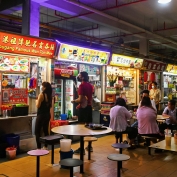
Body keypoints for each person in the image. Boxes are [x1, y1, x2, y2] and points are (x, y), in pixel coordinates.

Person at [71, 72, 93, 154]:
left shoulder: (81, 86)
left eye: (79, 76)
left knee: (82, 128)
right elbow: (87, 99)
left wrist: (74, 101)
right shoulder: (90, 86)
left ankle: (81, 148)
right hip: (89, 107)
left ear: (82, 77)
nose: (78, 77)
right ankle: (90, 146)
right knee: (89, 127)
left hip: (83, 110)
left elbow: (80, 99)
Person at [35, 82, 52, 149]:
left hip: (41, 115)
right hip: (47, 115)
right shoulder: (50, 95)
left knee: (37, 131)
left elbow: (38, 105)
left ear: (44, 87)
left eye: (42, 86)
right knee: (45, 130)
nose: (41, 87)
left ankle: (38, 147)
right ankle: (45, 146)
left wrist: (36, 101)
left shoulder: (41, 95)